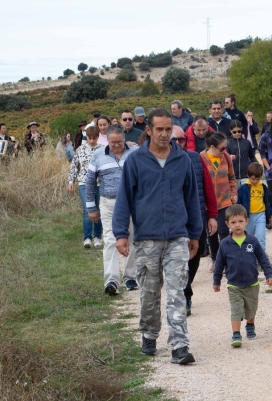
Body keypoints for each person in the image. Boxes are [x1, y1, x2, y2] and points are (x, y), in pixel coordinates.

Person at [113, 108, 201, 364]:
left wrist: (194, 233)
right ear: (148, 130)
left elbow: (191, 199)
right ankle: (149, 334)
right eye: (159, 129)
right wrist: (121, 234)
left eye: (168, 129)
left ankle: (179, 346)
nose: (165, 134)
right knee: (150, 292)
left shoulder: (182, 159)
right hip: (147, 238)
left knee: (177, 291)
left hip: (177, 236)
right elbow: (124, 201)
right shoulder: (135, 161)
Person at [86, 124, 139, 296]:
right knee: (109, 239)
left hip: (132, 204)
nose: (117, 145)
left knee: (132, 238)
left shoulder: (134, 153)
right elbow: (90, 183)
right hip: (108, 203)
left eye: (120, 141)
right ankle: (111, 280)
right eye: (113, 142)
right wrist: (91, 208)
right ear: (107, 140)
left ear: (125, 139)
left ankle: (130, 276)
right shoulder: (98, 156)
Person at [172, 126, 219, 317]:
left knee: (194, 256)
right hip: (173, 220)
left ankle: (186, 287)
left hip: (196, 217)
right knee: (176, 258)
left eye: (181, 140)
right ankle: (183, 295)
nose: (178, 143)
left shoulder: (195, 158)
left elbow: (208, 187)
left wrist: (212, 215)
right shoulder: (159, 162)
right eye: (174, 140)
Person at [213, 204, 272, 347]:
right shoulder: (225, 244)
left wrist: (268, 274)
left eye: (240, 221)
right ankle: (236, 334)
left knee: (251, 308)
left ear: (247, 221)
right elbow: (219, 264)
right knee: (236, 310)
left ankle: (250, 325)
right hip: (233, 284)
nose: (237, 225)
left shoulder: (252, 241)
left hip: (252, 283)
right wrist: (216, 281)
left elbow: (263, 259)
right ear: (227, 224)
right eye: (233, 222)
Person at [201, 132, 238, 269]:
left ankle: (225, 259)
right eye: (222, 148)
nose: (225, 151)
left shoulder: (226, 157)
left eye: (225, 147)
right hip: (208, 203)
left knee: (223, 230)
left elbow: (232, 178)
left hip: (224, 201)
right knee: (211, 231)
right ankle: (215, 259)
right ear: (212, 146)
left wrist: (233, 193)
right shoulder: (201, 158)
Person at [68, 126, 103, 248]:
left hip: (99, 183)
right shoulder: (80, 149)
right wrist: (71, 181)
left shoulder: (103, 149)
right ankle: (87, 238)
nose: (92, 141)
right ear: (86, 137)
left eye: (94, 138)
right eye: (90, 138)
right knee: (87, 210)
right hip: (84, 183)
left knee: (98, 209)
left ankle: (97, 236)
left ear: (98, 137)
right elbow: (74, 166)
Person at [237, 162, 271, 252]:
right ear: (248, 175)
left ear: (261, 177)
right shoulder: (243, 188)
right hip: (248, 216)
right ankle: (248, 255)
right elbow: (238, 203)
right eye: (253, 179)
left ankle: (261, 257)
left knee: (261, 237)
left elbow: (267, 202)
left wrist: (269, 216)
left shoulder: (263, 187)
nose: (255, 181)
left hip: (261, 215)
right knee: (248, 237)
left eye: (258, 179)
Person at [226, 119, 257, 185]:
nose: (237, 133)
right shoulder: (228, 144)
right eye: (234, 132)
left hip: (246, 175)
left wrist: (256, 165)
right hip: (233, 176)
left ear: (241, 130)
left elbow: (252, 156)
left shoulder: (247, 143)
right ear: (230, 131)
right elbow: (225, 159)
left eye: (239, 131)